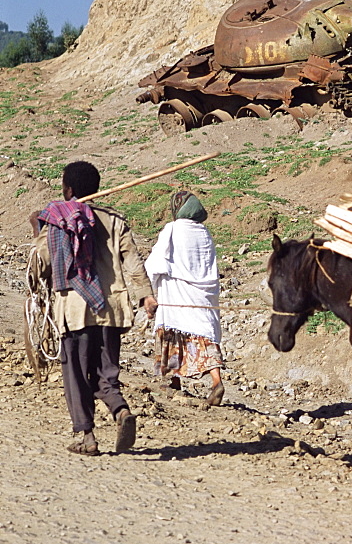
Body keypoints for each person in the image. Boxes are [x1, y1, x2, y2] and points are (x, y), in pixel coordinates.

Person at [31, 161, 157, 456]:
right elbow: (133, 261)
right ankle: (120, 410)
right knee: (105, 371)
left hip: (76, 310)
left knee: (76, 373)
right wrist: (146, 297)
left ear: (69, 189)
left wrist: (37, 231)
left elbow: (43, 264)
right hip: (110, 309)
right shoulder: (114, 220)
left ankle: (87, 437)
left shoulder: (57, 221)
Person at [144, 190, 225, 407]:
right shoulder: (204, 233)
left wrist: (148, 290)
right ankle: (216, 381)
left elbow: (155, 262)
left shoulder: (172, 229)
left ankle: (173, 380)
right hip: (202, 297)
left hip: (177, 292)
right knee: (205, 337)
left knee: (172, 333)